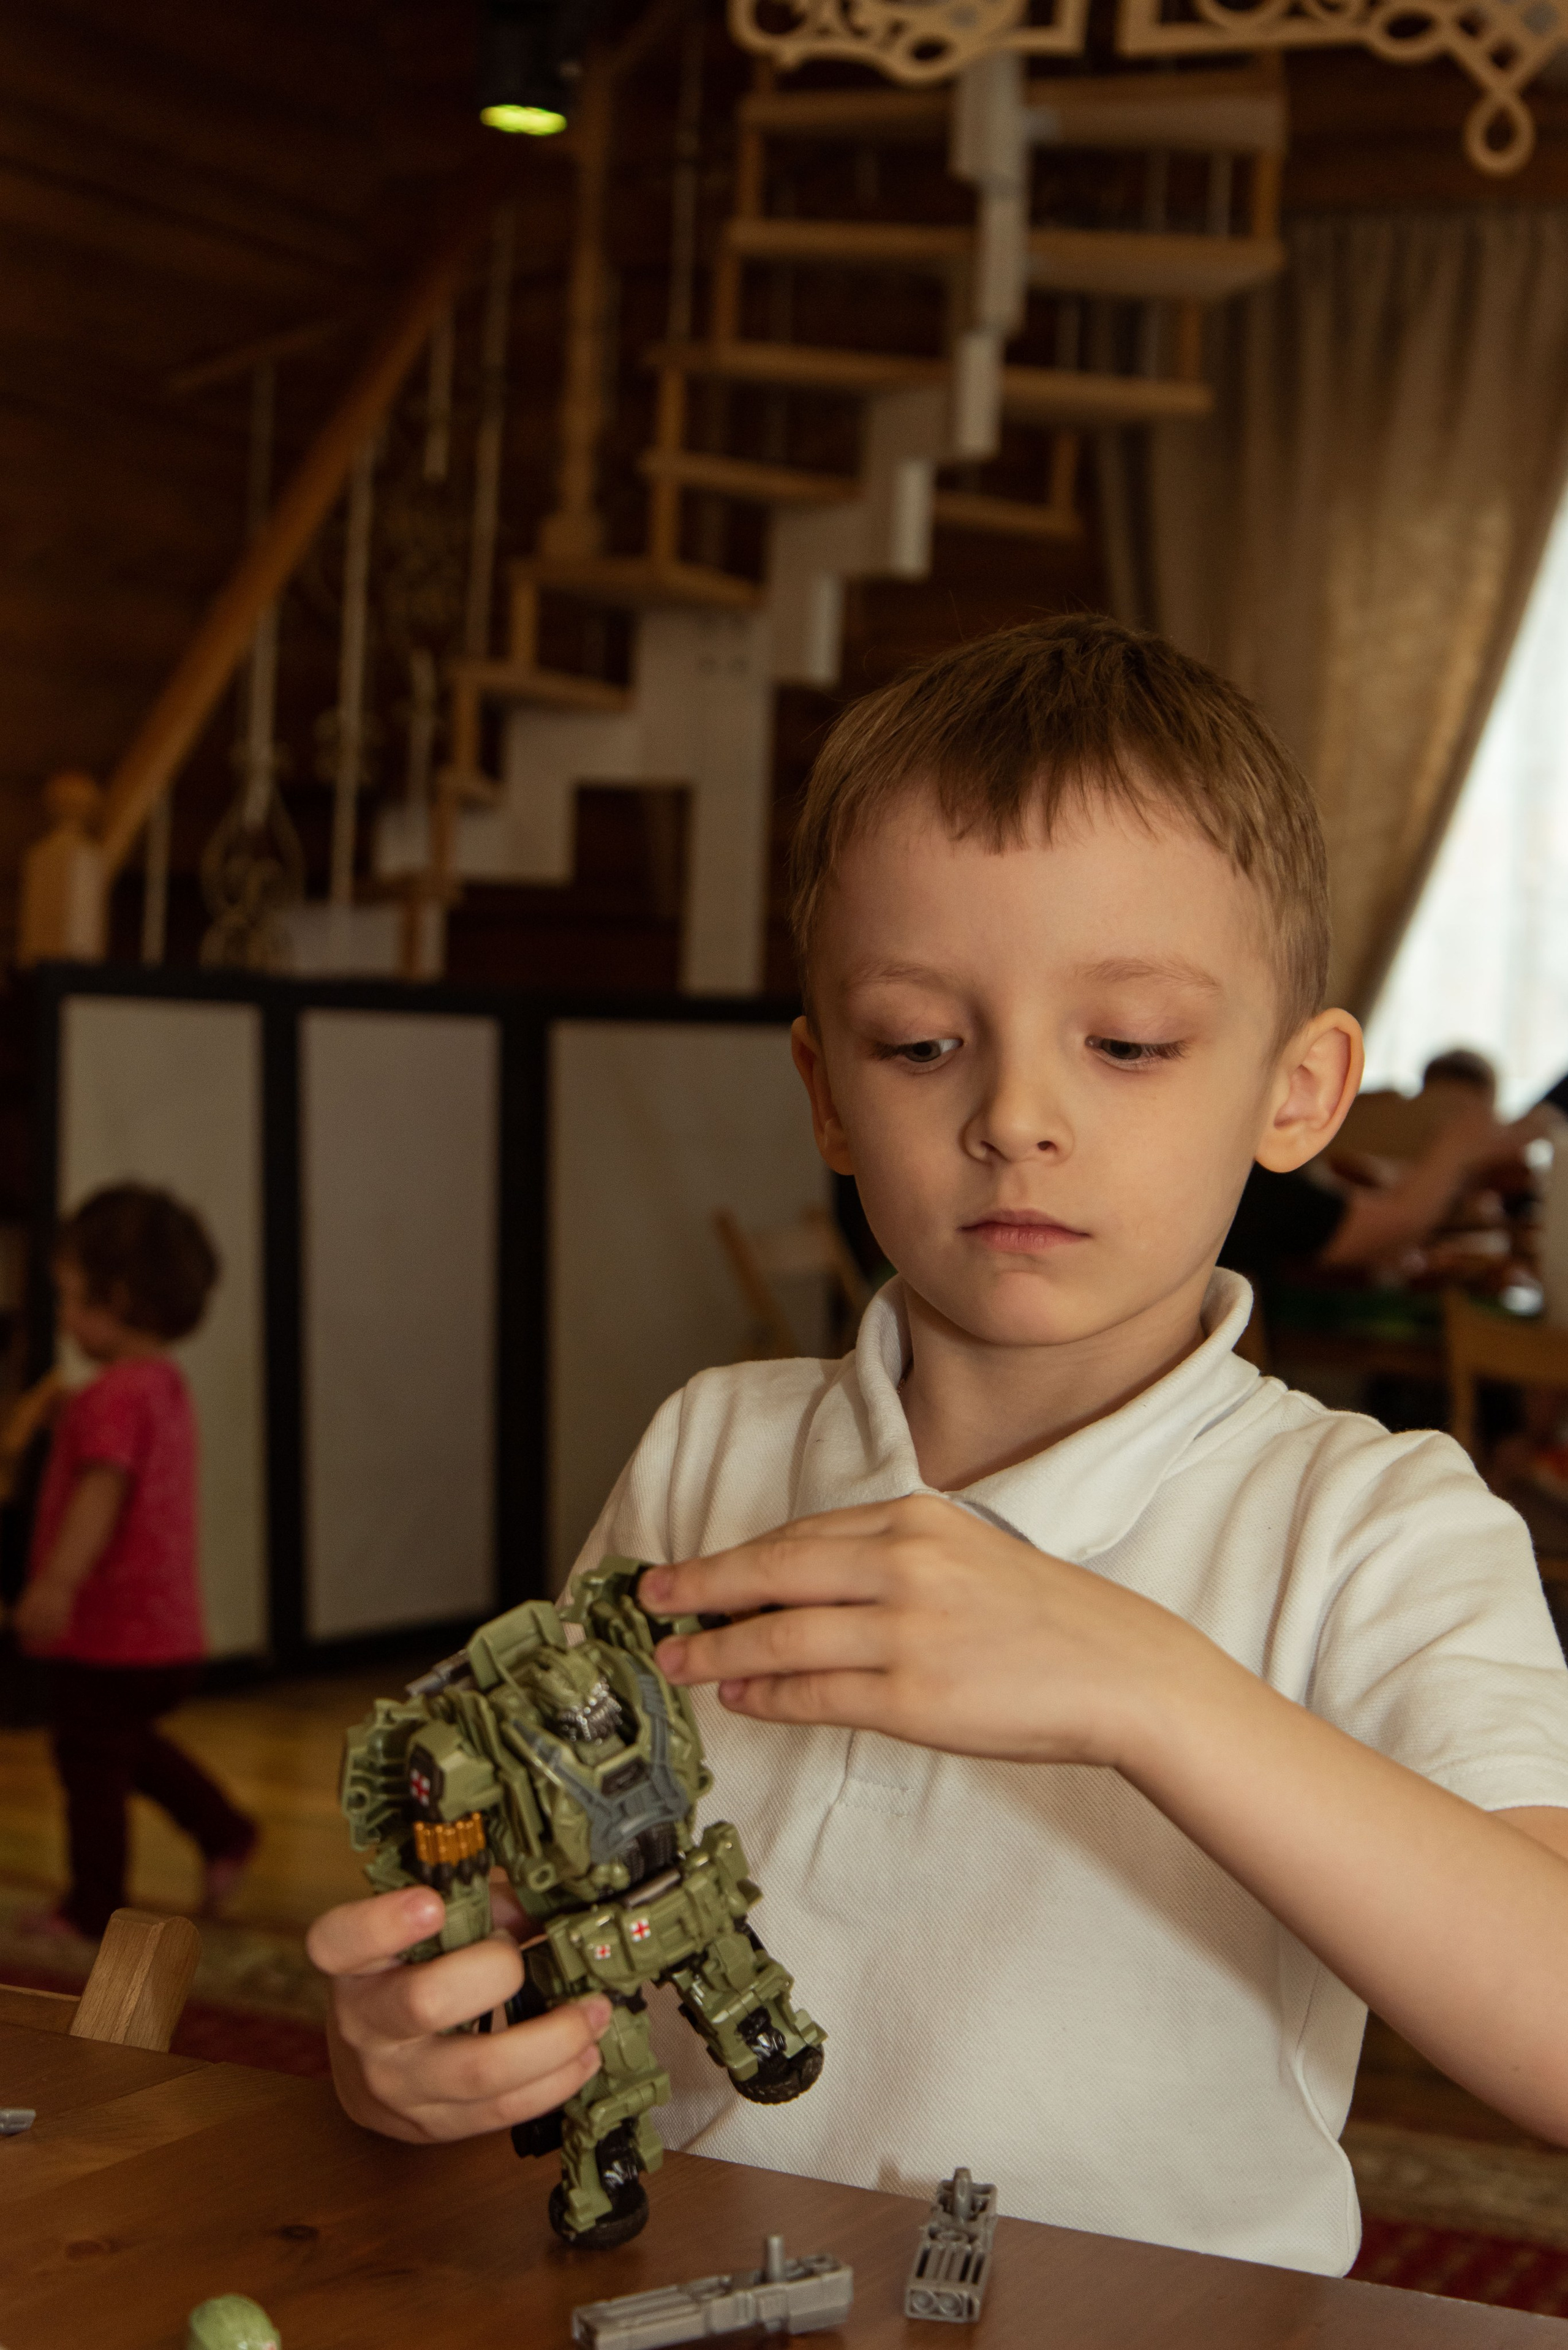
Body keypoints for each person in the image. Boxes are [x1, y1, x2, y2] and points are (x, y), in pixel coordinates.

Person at [307, 616, 1568, 2277]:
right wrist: (418, 2045)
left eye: (1126, 1041)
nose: (1013, 1114)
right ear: (830, 1092)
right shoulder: (712, 1446)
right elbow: (555, 1900)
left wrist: (1147, 1686)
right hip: (694, 2290)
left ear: (1299, 1089)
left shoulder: (1375, 1522)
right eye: (921, 1043)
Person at [12, 1183, 256, 1940]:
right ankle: (224, 1832)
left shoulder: (109, 1401)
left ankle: (92, 1911)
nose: (62, 1314)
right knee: (121, 1746)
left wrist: (54, 1585)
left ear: (113, 1298)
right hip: (166, 1634)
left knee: (89, 1764)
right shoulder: (157, 1385)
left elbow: (103, 1492)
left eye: (69, 1297)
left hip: (109, 1632)